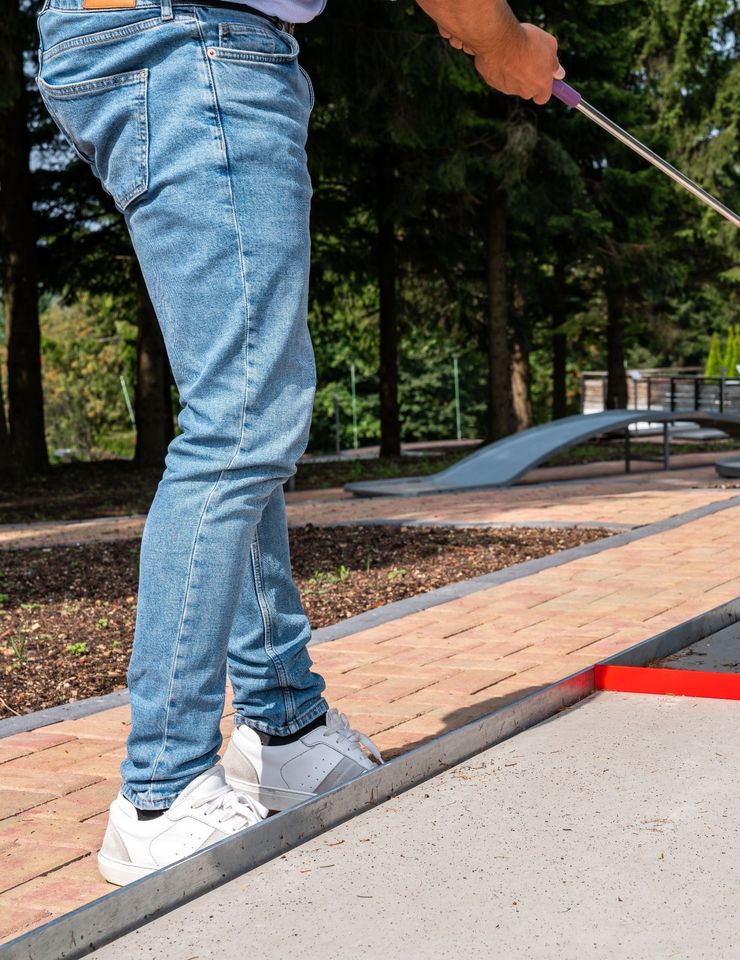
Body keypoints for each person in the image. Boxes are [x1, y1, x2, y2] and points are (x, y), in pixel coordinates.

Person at [35, 0, 562, 884]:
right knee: (241, 417)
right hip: (192, 41)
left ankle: (284, 726)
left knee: (243, 413)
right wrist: (504, 41)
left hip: (156, 39)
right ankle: (161, 793)